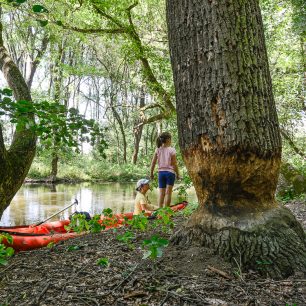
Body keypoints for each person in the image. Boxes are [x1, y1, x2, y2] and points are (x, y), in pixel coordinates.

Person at [150, 132, 180, 208]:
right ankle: (166, 212)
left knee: (161, 193)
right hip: (170, 173)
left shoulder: (158, 150)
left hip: (161, 173)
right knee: (168, 193)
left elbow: (153, 163)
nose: (171, 141)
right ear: (168, 139)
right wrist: (178, 174)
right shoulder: (172, 150)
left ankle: (160, 211)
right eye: (170, 139)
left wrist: (151, 173)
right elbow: (174, 164)